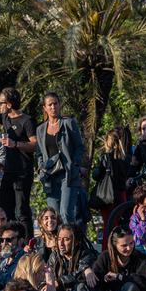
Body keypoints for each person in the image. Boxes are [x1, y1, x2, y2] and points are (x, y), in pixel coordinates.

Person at [35, 92, 86, 225]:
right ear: (45, 108)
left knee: (66, 213)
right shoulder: (40, 129)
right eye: (49, 105)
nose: (53, 107)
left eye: (55, 103)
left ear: (59, 105)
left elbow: (80, 147)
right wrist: (41, 167)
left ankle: (72, 244)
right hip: (49, 176)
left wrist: (74, 164)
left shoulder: (68, 123)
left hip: (67, 174)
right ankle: (57, 245)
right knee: (54, 216)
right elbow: (39, 152)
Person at [0, 88, 37, 224]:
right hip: (8, 172)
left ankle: (27, 243)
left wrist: (15, 144)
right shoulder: (5, 118)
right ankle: (11, 241)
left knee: (22, 211)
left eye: (1, 102)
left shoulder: (27, 120)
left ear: (9, 104)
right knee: (6, 209)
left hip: (23, 172)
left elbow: (35, 145)